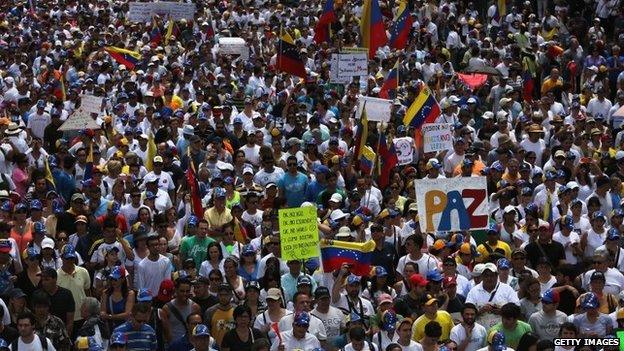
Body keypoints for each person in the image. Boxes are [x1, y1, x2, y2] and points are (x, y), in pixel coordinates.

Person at [160, 277, 201, 344]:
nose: (185, 294)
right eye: (182, 291)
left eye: (187, 291)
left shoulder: (195, 307)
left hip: (191, 344)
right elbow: (165, 331)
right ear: (176, 290)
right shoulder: (167, 308)